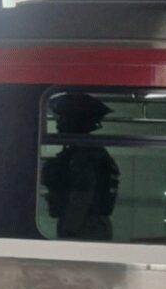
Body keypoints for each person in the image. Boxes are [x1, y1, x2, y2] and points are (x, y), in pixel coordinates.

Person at [42, 93, 120, 241]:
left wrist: (69, 230)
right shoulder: (92, 151)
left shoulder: (84, 155)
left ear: (75, 122)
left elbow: (81, 196)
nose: (59, 124)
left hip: (83, 228)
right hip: (91, 225)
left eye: (63, 119)